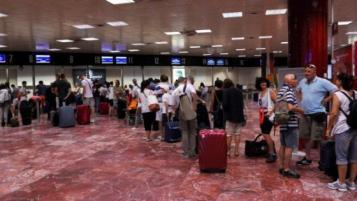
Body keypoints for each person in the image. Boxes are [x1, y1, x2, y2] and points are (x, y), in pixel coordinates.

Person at [297, 64, 338, 165]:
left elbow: (336, 90)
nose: (306, 73)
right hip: (305, 114)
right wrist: (301, 100)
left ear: (315, 72)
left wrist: (327, 99)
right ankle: (307, 158)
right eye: (305, 71)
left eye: (309, 72)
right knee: (306, 137)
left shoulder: (322, 81)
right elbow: (298, 91)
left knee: (318, 138)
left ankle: (322, 160)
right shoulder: (302, 81)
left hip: (318, 113)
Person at [326, 73, 357, 192]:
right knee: (354, 157)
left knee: (341, 157)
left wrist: (329, 129)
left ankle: (341, 183)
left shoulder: (338, 95)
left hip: (342, 128)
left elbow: (333, 113)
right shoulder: (356, 93)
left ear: (339, 82)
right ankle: (352, 183)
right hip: (355, 128)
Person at [277, 74, 304, 179]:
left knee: (283, 145)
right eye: (294, 79)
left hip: (282, 121)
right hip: (290, 122)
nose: (296, 81)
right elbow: (290, 107)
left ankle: (281, 167)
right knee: (289, 146)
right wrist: (301, 110)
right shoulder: (289, 92)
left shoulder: (281, 91)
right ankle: (287, 169)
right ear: (289, 81)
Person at [173, 77, 198, 159]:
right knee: (192, 132)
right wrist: (194, 107)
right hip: (191, 111)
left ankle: (186, 152)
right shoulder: (189, 86)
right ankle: (192, 151)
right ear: (184, 81)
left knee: (184, 132)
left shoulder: (175, 91)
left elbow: (175, 105)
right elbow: (194, 95)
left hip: (182, 112)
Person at [256, 77, 277, 163]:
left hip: (269, 115)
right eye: (261, 83)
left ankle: (272, 153)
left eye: (264, 82)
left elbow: (278, 102)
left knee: (266, 134)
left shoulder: (270, 91)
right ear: (259, 84)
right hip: (262, 115)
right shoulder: (260, 93)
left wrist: (271, 112)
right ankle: (271, 151)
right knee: (265, 134)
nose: (263, 83)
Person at [222, 79, 245, 157]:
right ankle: (236, 151)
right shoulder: (239, 91)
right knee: (237, 134)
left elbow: (225, 104)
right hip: (239, 116)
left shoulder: (226, 91)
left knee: (229, 135)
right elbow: (242, 104)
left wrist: (222, 108)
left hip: (230, 117)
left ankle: (228, 152)